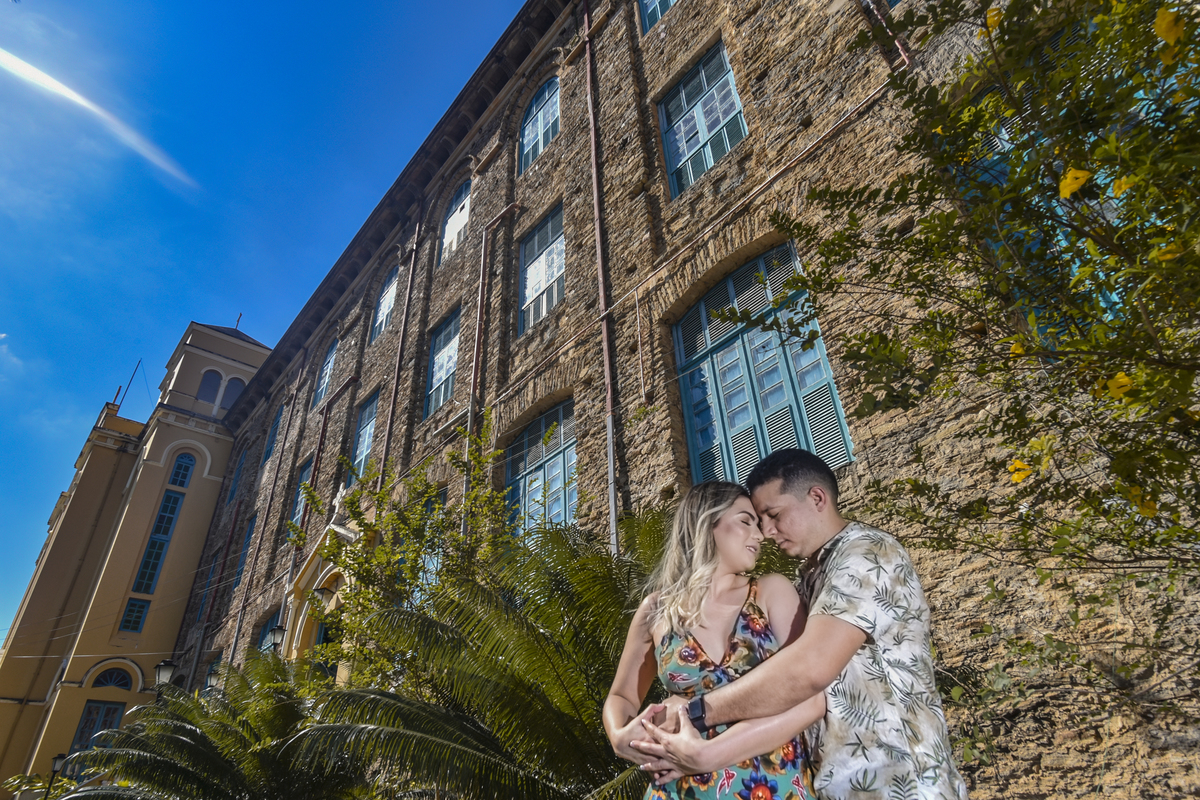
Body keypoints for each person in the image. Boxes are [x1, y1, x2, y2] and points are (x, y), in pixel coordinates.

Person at [632, 449, 969, 800]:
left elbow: (809, 668)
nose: (766, 532)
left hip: (898, 780)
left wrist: (694, 712)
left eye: (773, 515)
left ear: (817, 498)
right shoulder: (811, 576)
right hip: (840, 783)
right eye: (757, 520)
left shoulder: (866, 554)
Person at [603, 481, 826, 800]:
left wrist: (710, 755)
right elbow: (622, 695)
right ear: (706, 523)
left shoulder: (771, 592)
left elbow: (811, 699)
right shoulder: (656, 610)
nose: (760, 535)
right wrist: (619, 736)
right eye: (746, 521)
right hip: (679, 790)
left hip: (774, 784)